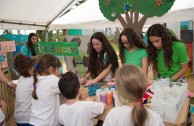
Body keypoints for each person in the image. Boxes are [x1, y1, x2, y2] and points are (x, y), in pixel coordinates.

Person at [29, 54, 61, 126]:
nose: (59, 72)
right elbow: (70, 89)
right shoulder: (53, 80)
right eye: (58, 69)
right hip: (46, 123)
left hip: (34, 122)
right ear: (51, 69)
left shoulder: (36, 80)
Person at [13, 53, 35, 126]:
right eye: (33, 67)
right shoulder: (31, 80)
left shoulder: (21, 79)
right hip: (27, 118)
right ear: (29, 68)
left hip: (18, 117)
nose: (34, 69)